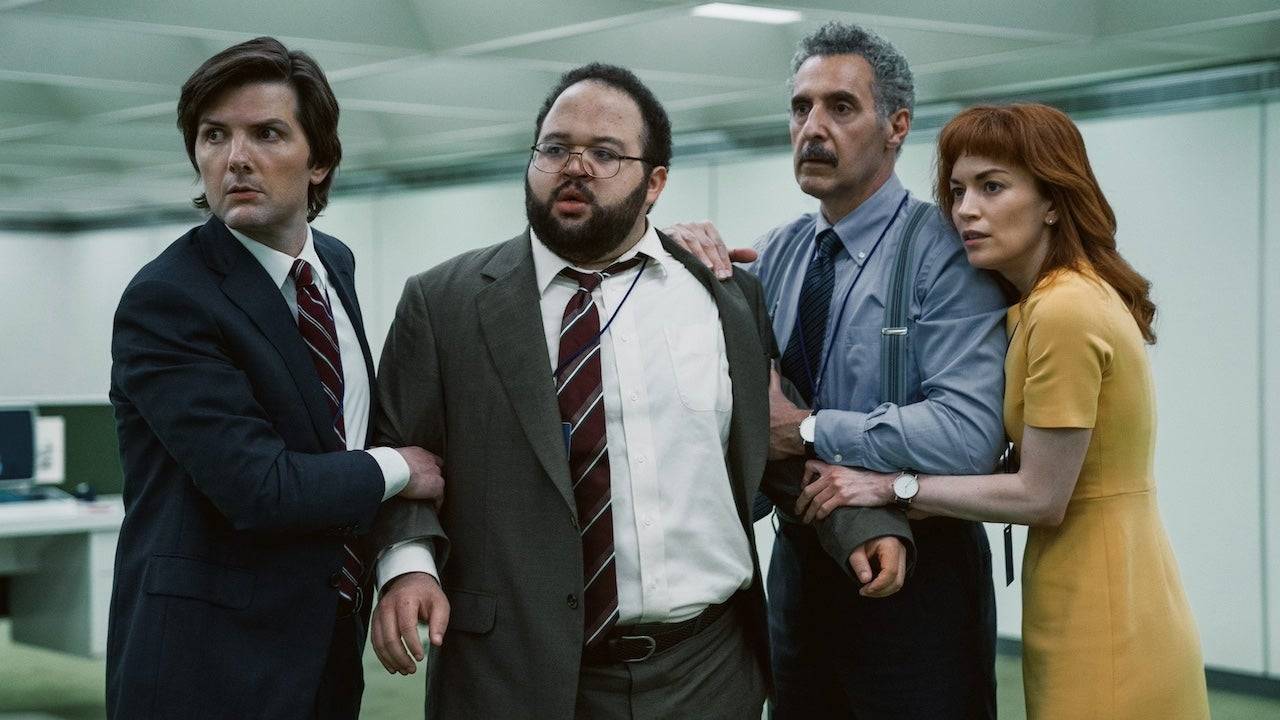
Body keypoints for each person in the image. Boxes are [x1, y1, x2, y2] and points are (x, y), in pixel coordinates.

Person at [361, 63, 776, 720]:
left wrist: (866, 519)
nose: (573, 168)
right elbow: (400, 454)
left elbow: (771, 448)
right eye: (555, 149)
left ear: (655, 183)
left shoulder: (726, 296)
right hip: (511, 674)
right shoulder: (444, 304)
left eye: (605, 153)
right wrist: (409, 562)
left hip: (707, 672)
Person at [795, 102, 1211, 719]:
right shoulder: (1054, 300)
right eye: (957, 190)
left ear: (1053, 200)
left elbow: (1041, 495)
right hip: (1101, 576)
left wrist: (890, 486)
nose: (965, 209)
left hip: (1102, 600)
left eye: (992, 187)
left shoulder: (1064, 311)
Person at [665, 21, 1008, 719]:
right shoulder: (775, 255)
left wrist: (810, 429)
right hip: (799, 569)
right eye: (801, 108)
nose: (813, 129)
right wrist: (669, 265)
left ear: (896, 126)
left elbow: (969, 435)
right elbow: (729, 406)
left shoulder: (946, 252)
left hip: (921, 575)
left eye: (841, 107)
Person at [106, 37, 443, 720]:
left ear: (319, 161)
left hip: (322, 644)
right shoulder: (168, 299)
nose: (236, 158)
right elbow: (258, 487)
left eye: (266, 133)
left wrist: (400, 559)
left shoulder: (333, 266)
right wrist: (399, 467)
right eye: (214, 136)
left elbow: (335, 431)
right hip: (206, 663)